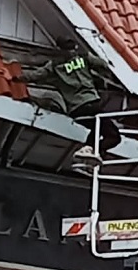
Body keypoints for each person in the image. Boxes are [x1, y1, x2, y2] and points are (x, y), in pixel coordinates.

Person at [13, 37, 120, 170]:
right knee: (114, 136)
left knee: (97, 128)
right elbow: (104, 65)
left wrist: (15, 77)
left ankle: (90, 156)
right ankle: (89, 151)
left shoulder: (55, 66)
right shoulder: (83, 58)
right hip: (90, 102)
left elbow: (36, 75)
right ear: (74, 48)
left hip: (75, 109)